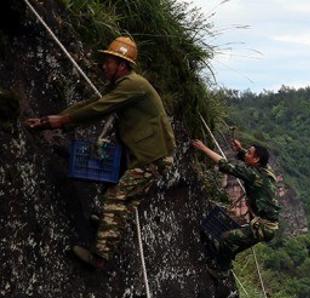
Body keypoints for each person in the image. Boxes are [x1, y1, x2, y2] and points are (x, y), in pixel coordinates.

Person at [25, 36, 176, 269]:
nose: (104, 65)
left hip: (151, 156)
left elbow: (98, 109)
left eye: (109, 62)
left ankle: (100, 257)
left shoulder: (133, 85)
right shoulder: (123, 85)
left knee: (117, 196)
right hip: (147, 152)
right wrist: (52, 120)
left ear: (122, 66)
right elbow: (93, 103)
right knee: (120, 199)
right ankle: (108, 226)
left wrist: (59, 121)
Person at [190, 137, 280, 275]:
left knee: (227, 238)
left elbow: (226, 165)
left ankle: (221, 270)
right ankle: (223, 259)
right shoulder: (266, 169)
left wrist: (203, 148)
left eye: (249, 153)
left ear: (256, 160)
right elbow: (248, 158)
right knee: (232, 243)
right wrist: (240, 150)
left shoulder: (254, 175)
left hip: (263, 227)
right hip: (266, 224)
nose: (246, 154)